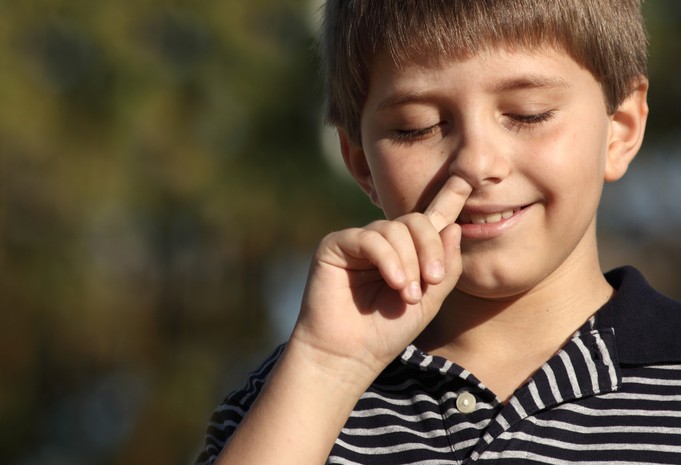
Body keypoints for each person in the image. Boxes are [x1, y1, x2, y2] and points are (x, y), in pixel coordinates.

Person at [196, 0, 681, 463]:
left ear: (620, 127)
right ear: (361, 163)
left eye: (528, 113)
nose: (476, 162)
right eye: (417, 126)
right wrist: (327, 368)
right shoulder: (289, 398)